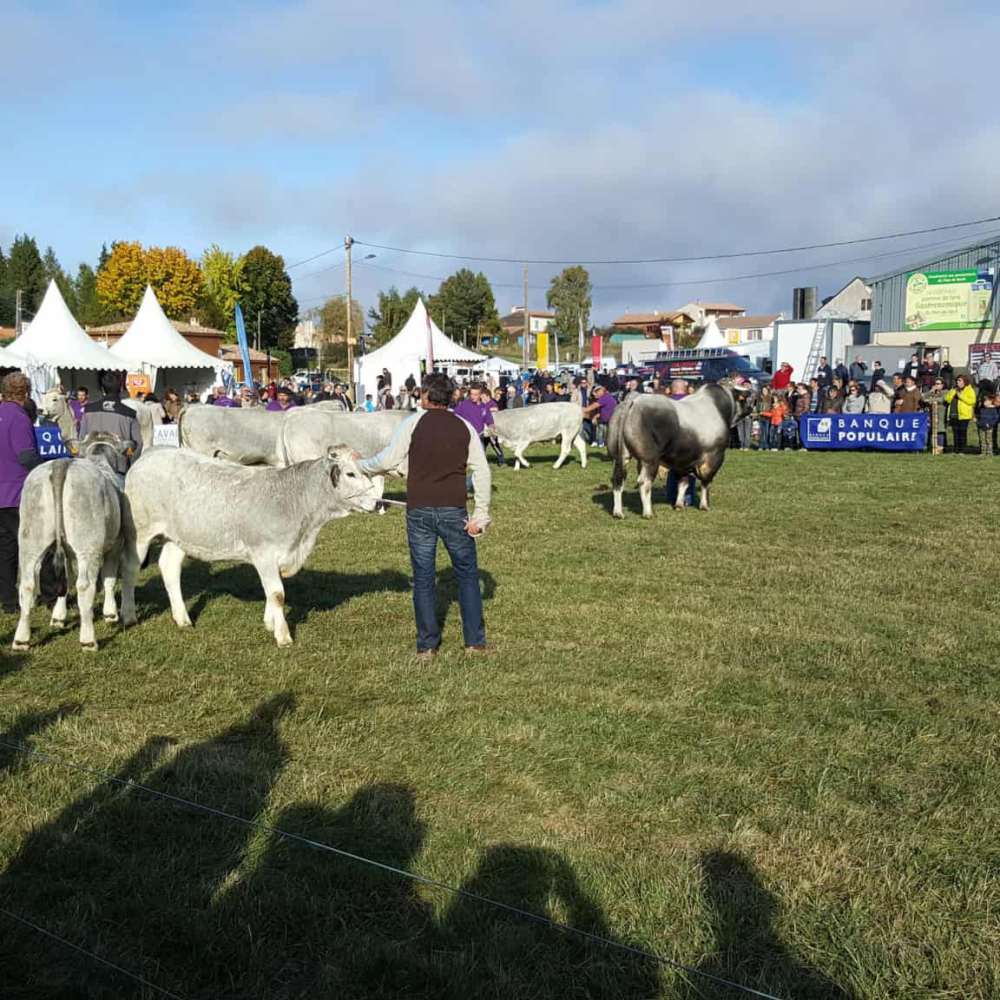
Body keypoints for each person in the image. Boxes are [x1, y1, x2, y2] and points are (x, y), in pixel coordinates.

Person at [360, 373, 491, 656]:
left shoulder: (412, 423)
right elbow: (481, 470)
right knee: (467, 576)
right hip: (454, 510)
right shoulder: (465, 426)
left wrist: (363, 466)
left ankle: (427, 647)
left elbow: (387, 460)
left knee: (423, 577)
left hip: (418, 510)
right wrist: (480, 516)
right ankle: (474, 643)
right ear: (452, 397)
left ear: (427, 397)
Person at [80, 371, 143, 488]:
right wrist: (128, 459)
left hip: (92, 468)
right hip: (119, 468)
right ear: (120, 388)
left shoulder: (88, 410)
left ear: (102, 389)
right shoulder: (130, 413)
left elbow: (81, 440)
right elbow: (138, 445)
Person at [455, 383, 505, 466]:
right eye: (471, 394)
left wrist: (492, 427)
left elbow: (489, 420)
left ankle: (500, 462)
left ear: (480, 395)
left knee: (481, 462)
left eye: (475, 394)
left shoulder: (484, 407)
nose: (473, 396)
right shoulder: (463, 405)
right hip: (465, 438)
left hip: (478, 438)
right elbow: (454, 417)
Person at [945, 375, 976, 453]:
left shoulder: (969, 389)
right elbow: (947, 399)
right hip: (953, 414)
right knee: (955, 433)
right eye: (957, 380)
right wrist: (953, 392)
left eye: (960, 380)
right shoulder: (953, 389)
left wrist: (961, 396)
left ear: (964, 381)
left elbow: (972, 401)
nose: (957, 382)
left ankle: (963, 450)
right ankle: (956, 450)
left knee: (962, 433)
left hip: (964, 415)